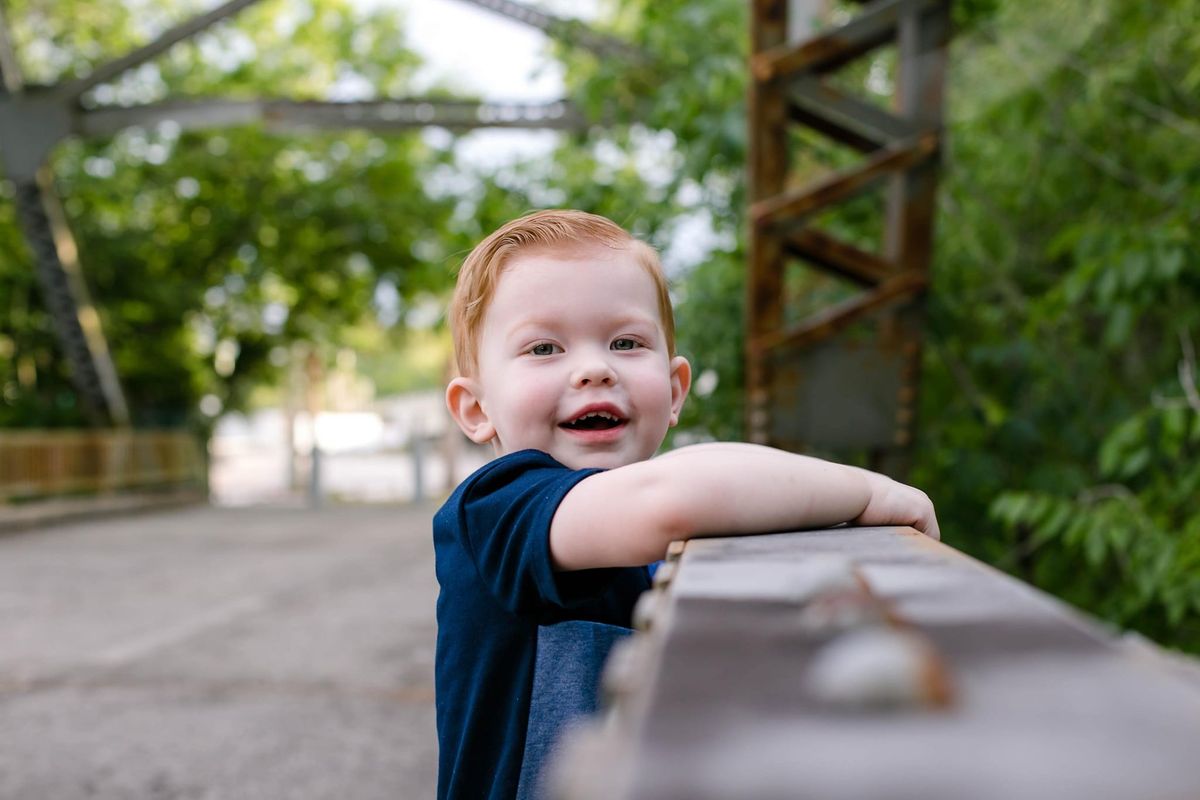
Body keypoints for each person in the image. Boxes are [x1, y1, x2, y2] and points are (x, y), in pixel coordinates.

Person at [434, 209, 938, 799]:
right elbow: (672, 498)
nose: (594, 368)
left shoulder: (651, 526)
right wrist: (870, 491)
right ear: (476, 409)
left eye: (626, 342)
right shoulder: (495, 509)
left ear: (674, 391)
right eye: (544, 348)